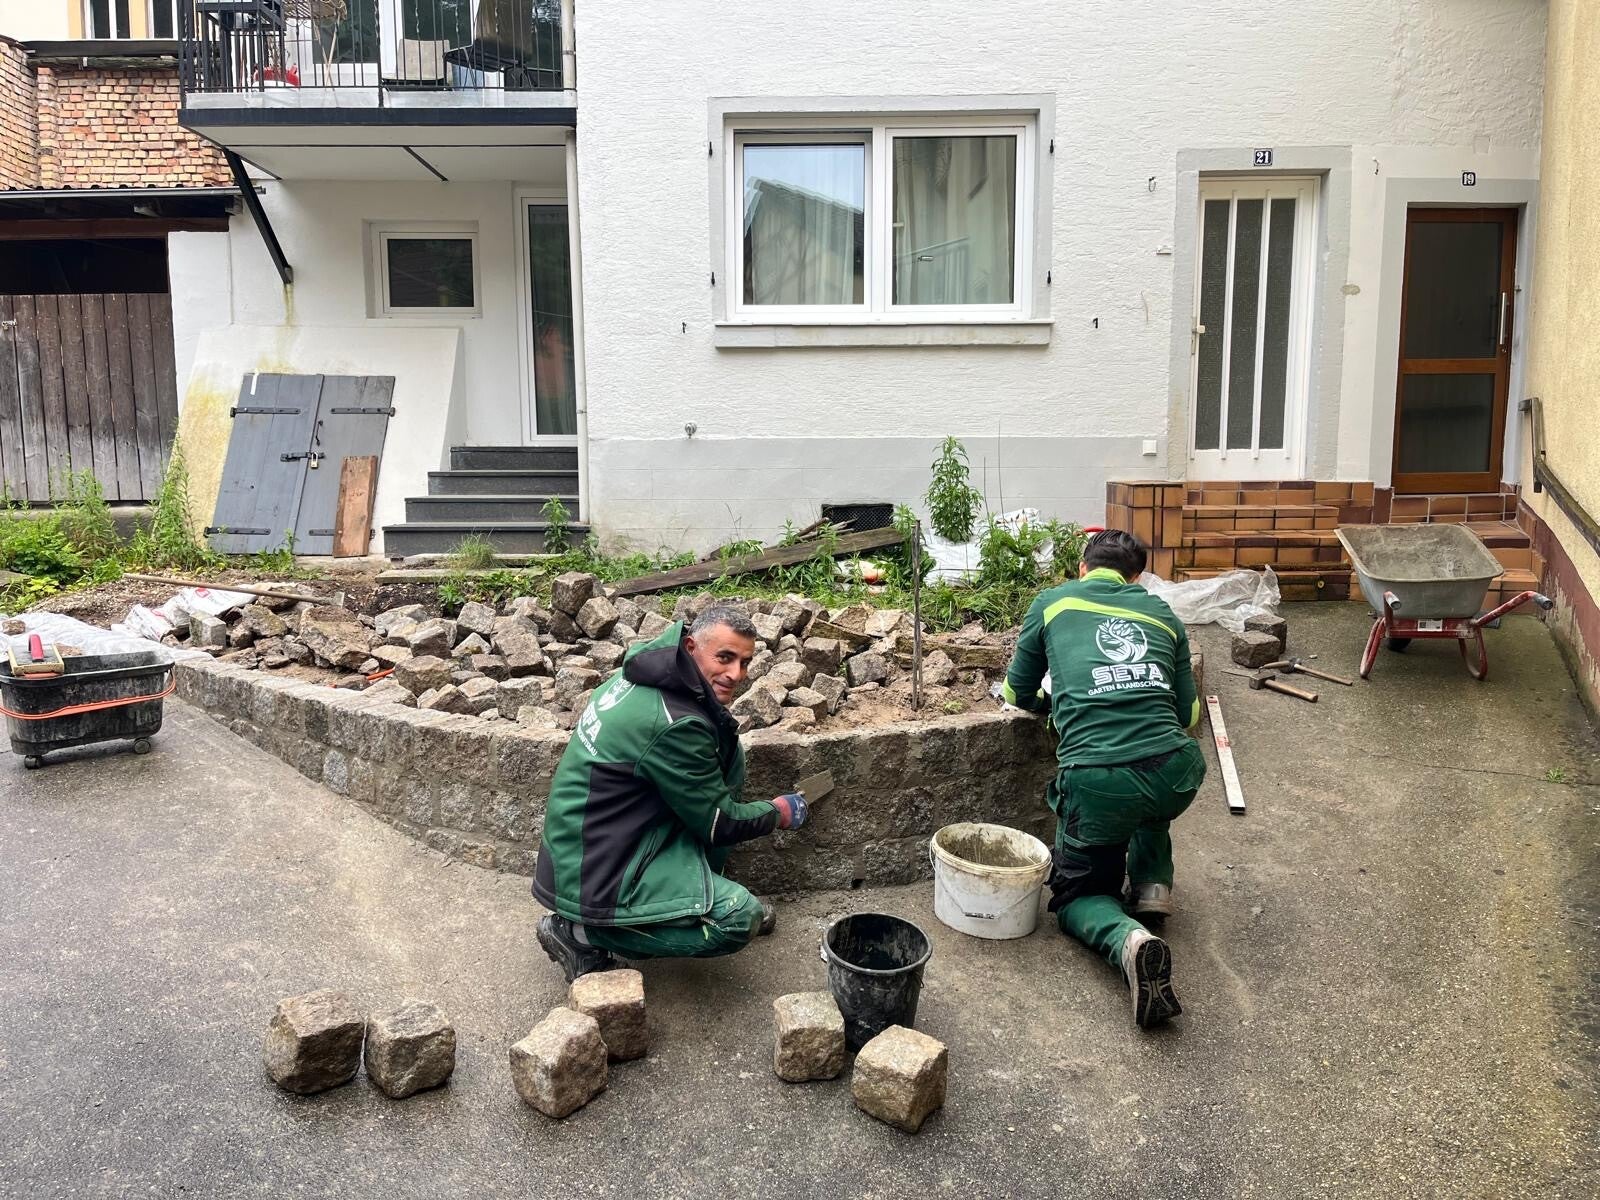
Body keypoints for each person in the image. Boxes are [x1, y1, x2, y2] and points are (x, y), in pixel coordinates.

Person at [532, 605, 809, 982]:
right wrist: (778, 812)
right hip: (598, 868)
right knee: (738, 918)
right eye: (725, 657)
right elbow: (720, 822)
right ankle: (578, 933)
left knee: (728, 759)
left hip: (604, 835)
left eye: (744, 662)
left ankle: (700, 896)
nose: (736, 674)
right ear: (692, 646)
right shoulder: (673, 722)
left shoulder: (653, 671)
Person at [1002, 529, 1206, 1028]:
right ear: (1137, 577)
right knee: (1150, 798)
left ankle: (1127, 940)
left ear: (1082, 568)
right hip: (1178, 770)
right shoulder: (1164, 615)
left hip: (1098, 778)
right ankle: (1153, 885)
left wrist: (1059, 704)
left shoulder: (1052, 603)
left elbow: (1016, 692)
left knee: (1075, 897)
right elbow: (1189, 715)